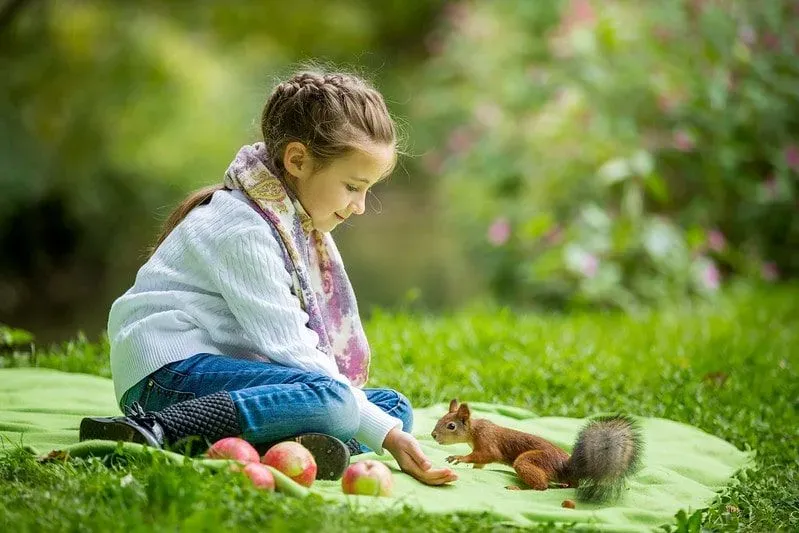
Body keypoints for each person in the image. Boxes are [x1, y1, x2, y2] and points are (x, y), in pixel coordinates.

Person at [79, 69, 457, 486]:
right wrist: (381, 433)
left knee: (393, 407)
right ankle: (156, 430)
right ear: (297, 160)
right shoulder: (244, 230)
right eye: (352, 186)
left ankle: (281, 445)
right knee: (343, 406)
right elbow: (292, 349)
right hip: (165, 379)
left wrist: (385, 427)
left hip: (221, 373)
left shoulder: (289, 221)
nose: (361, 206)